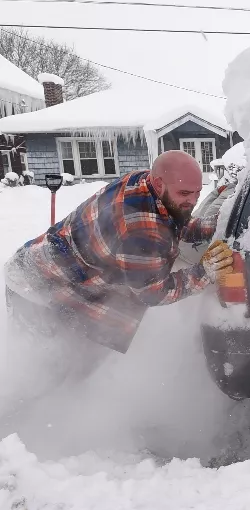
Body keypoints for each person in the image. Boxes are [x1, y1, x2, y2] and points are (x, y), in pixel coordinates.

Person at [3, 150, 234, 357]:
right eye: (185, 193)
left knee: (82, 355)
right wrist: (205, 272)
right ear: (159, 183)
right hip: (35, 287)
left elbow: (171, 220)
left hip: (52, 270)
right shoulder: (140, 230)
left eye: (197, 193)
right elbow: (154, 293)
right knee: (57, 367)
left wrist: (217, 224)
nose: (193, 201)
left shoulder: (146, 183)